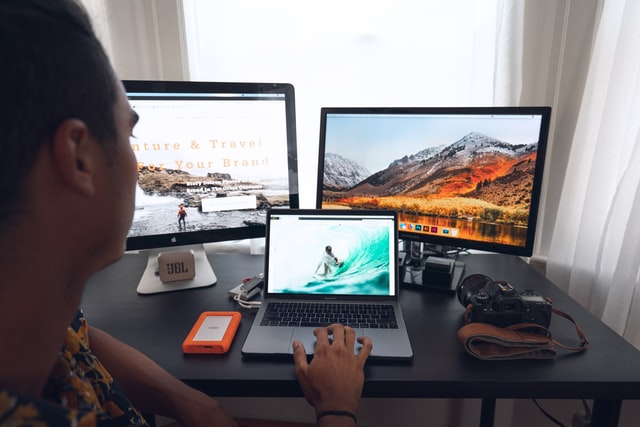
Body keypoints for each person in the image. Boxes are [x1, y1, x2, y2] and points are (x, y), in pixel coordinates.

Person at [0, 1, 372, 426]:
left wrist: (192, 403)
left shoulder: (32, 314)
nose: (137, 161)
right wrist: (338, 409)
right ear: (78, 159)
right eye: (130, 133)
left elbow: (79, 337)